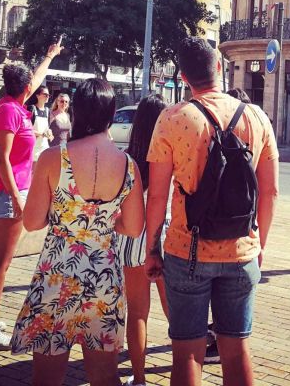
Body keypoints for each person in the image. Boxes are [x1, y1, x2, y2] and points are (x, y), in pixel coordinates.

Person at [145, 37, 280, 386]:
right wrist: (259, 245)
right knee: (236, 349)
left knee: (187, 352)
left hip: (186, 250)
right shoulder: (257, 117)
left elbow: (157, 196)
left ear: (184, 77)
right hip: (242, 250)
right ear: (219, 67)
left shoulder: (173, 118)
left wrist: (152, 249)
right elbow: (271, 191)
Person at [11, 78, 145, 386]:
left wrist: (66, 216)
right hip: (104, 277)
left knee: (47, 378)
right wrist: (105, 221)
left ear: (77, 113)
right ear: (111, 115)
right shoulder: (128, 165)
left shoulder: (53, 158)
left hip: (57, 274)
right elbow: (135, 227)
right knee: (105, 376)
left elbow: (32, 222)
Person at [0, 41, 63, 350]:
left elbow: (34, 77)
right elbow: (4, 158)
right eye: (32, 86)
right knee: (0, 265)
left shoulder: (14, 104)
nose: (35, 88)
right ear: (26, 90)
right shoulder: (9, 111)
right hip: (7, 194)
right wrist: (17, 199)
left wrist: (48, 55)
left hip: (10, 192)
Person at [115, 93, 170, 386]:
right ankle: (186, 369)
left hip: (134, 239)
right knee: (175, 310)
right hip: (167, 238)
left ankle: (138, 380)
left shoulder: (128, 161)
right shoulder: (172, 153)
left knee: (137, 312)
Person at [29, 86, 53, 162]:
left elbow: (47, 127)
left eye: (48, 95)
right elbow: (27, 130)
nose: (47, 96)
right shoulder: (31, 109)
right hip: (33, 147)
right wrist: (42, 134)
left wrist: (50, 133)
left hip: (44, 146)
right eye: (45, 94)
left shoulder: (47, 111)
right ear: (37, 95)